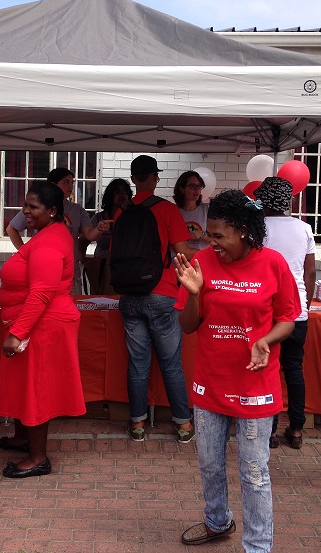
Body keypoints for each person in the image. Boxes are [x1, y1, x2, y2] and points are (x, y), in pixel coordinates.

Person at [174, 189, 300, 550]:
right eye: (208, 234)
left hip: (255, 386)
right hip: (210, 383)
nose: (210, 242)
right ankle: (217, 521)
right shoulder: (202, 264)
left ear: (244, 231)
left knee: (254, 473)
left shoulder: (273, 264)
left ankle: (258, 546)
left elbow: (288, 318)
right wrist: (195, 294)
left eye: (218, 236)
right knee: (210, 464)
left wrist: (265, 341)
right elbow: (186, 326)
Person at [0, 180, 86, 478]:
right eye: (25, 205)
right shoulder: (48, 234)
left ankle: (38, 458)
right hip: (38, 322)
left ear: (53, 211)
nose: (26, 212)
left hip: (44, 325)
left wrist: (18, 332)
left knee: (37, 389)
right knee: (26, 384)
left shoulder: (49, 241)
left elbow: (42, 293)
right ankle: (24, 439)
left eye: (33, 206)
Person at [114, 154, 197, 443]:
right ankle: (183, 425)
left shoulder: (121, 212)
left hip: (129, 296)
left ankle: (137, 424)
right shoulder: (167, 210)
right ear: (155, 178)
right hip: (162, 294)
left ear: (134, 179)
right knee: (171, 363)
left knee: (138, 363)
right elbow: (183, 252)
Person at [254, 176, 316, 450]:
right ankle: (297, 428)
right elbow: (310, 272)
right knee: (294, 369)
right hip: (297, 310)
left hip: (266, 310)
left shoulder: (257, 228)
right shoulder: (304, 228)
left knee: (266, 371)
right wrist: (307, 303)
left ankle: (269, 430)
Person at [7, 168, 108, 294]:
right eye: (65, 182)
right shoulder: (38, 207)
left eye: (72, 182)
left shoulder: (77, 210)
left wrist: (99, 228)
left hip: (70, 275)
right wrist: (25, 253)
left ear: (54, 212)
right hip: (42, 273)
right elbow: (11, 228)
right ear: (53, 185)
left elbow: (89, 235)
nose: (70, 186)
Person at [81, 178, 132, 294]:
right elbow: (83, 241)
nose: (122, 195)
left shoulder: (132, 218)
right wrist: (87, 263)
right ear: (110, 195)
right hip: (102, 269)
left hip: (126, 269)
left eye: (125, 192)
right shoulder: (98, 218)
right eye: (117, 192)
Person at [174, 170, 210, 251]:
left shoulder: (207, 209)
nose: (197, 189)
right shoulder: (174, 212)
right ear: (182, 189)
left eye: (199, 186)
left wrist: (202, 234)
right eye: (192, 186)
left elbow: (216, 239)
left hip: (201, 261)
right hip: (179, 261)